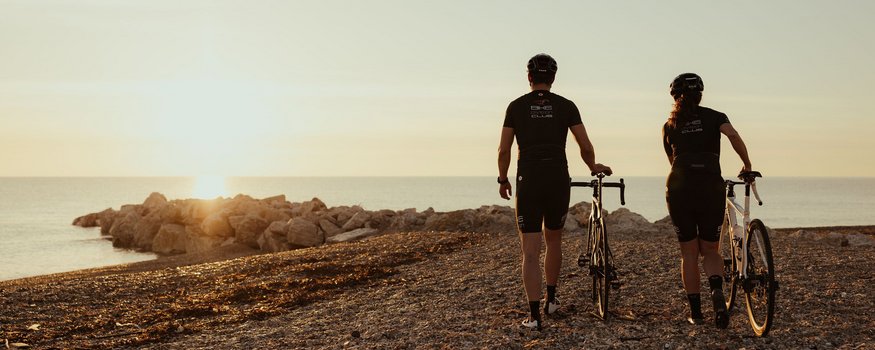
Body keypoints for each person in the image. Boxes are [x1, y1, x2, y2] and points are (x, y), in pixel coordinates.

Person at [497, 53, 612, 330]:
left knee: (530, 250)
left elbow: (504, 150)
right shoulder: (566, 106)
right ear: (553, 78)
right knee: (554, 241)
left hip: (529, 178)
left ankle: (534, 316)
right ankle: (551, 298)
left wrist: (503, 179)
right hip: (558, 177)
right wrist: (592, 164)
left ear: (529, 78)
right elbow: (584, 144)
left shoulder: (516, 106)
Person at [662, 73, 754, 328]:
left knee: (689, 253)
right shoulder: (715, 116)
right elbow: (733, 136)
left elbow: (671, 160)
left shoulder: (670, 124)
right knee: (711, 250)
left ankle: (696, 313)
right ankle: (717, 295)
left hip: (679, 188)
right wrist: (746, 164)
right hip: (710, 185)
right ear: (700, 94)